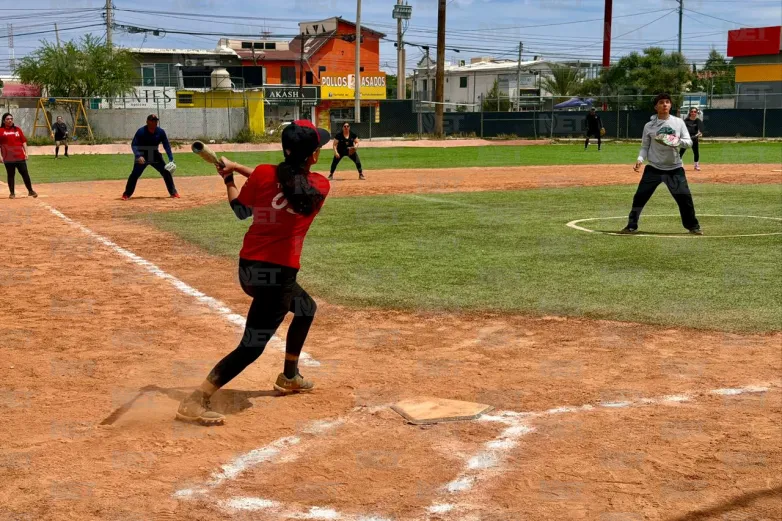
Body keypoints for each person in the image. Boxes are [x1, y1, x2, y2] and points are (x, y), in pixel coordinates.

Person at [176, 120, 332, 426]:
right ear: (312, 156)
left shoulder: (262, 173)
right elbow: (286, 183)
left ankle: (289, 376)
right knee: (251, 347)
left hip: (249, 269)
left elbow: (241, 209)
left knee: (305, 308)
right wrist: (237, 169)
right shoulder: (319, 186)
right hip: (278, 277)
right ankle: (195, 400)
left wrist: (229, 178)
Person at [621, 93, 702, 235]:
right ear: (655, 107)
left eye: (667, 102)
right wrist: (640, 159)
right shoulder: (649, 126)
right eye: (661, 102)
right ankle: (631, 226)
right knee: (639, 197)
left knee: (684, 198)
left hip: (674, 168)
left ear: (670, 105)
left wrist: (675, 141)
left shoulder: (678, 122)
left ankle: (693, 227)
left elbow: (689, 142)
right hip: (654, 168)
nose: (665, 104)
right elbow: (645, 146)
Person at [121, 114, 179, 200]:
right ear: (147, 122)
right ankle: (126, 194)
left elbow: (166, 145)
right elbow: (134, 145)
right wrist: (138, 156)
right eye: (152, 121)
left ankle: (173, 193)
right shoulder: (141, 131)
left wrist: (171, 158)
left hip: (154, 154)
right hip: (142, 154)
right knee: (135, 174)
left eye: (156, 121)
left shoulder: (160, 132)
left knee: (166, 172)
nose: (154, 122)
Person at [0, 113, 37, 199]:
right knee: (11, 175)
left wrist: (26, 153)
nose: (10, 120)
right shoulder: (1, 131)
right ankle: (12, 193)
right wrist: (0, 156)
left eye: (11, 119)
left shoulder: (17, 129)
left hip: (19, 156)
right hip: (8, 157)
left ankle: (30, 191)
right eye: (8, 119)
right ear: (4, 121)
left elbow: (23, 142)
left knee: (25, 174)